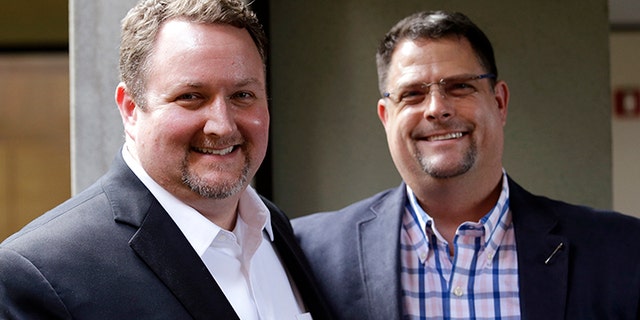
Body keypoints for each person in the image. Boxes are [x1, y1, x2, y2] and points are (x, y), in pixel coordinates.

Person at [293, 10, 640, 320]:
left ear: (500, 103)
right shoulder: (309, 252)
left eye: (459, 87)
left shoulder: (621, 251)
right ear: (386, 117)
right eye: (412, 93)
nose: (437, 108)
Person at [0, 0, 332, 319]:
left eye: (242, 96)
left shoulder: (274, 228)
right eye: (191, 97)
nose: (222, 125)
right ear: (130, 109)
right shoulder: (39, 273)